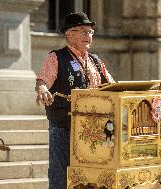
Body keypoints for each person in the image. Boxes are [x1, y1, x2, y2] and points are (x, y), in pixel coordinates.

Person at [35, 12, 114, 189]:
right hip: (64, 125)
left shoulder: (95, 60)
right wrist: (42, 89)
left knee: (89, 175)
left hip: (93, 127)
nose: (88, 35)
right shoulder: (56, 57)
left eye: (91, 31)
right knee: (61, 173)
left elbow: (111, 85)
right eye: (83, 31)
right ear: (69, 34)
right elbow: (42, 80)